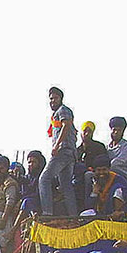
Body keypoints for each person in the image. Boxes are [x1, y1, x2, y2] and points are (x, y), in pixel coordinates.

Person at [39, 86, 79, 216]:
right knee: (66, 185)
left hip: (63, 151)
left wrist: (56, 145)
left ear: (60, 99)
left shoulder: (63, 110)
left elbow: (66, 125)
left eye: (55, 98)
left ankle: (47, 213)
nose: (52, 101)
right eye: (50, 99)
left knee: (44, 179)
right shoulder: (56, 114)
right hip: (70, 154)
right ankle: (73, 215)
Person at [107, 116, 127, 188]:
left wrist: (105, 167)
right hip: (111, 173)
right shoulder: (107, 147)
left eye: (119, 130)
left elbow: (118, 162)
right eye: (114, 130)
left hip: (126, 176)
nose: (116, 132)